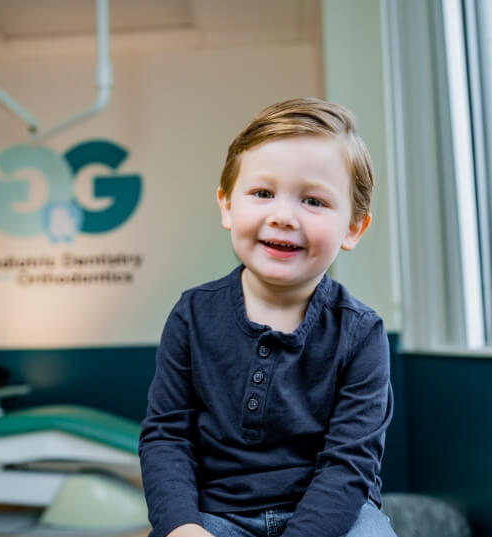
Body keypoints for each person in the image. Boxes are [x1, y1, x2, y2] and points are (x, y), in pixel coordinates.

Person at [139, 97, 396, 537]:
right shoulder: (192, 314)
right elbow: (167, 436)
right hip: (217, 514)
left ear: (353, 228)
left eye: (313, 201)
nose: (283, 217)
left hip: (335, 517)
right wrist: (181, 526)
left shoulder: (361, 332)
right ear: (226, 205)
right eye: (262, 193)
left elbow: (349, 464)